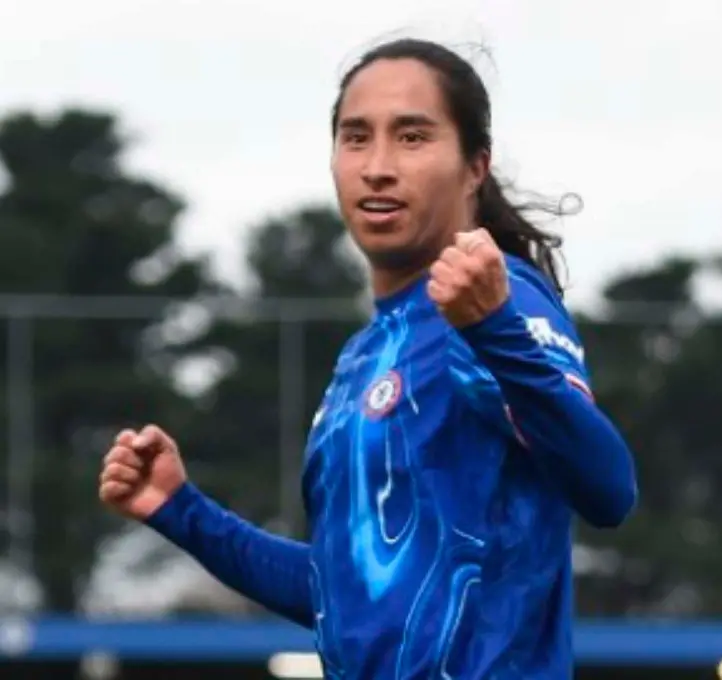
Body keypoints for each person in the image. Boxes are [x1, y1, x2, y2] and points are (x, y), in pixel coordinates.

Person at [99, 37, 638, 679]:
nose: (378, 166)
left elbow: (609, 490)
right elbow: (346, 596)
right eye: (356, 138)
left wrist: (495, 330)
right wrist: (180, 510)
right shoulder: (364, 356)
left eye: (412, 137)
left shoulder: (500, 299)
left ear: (475, 166)